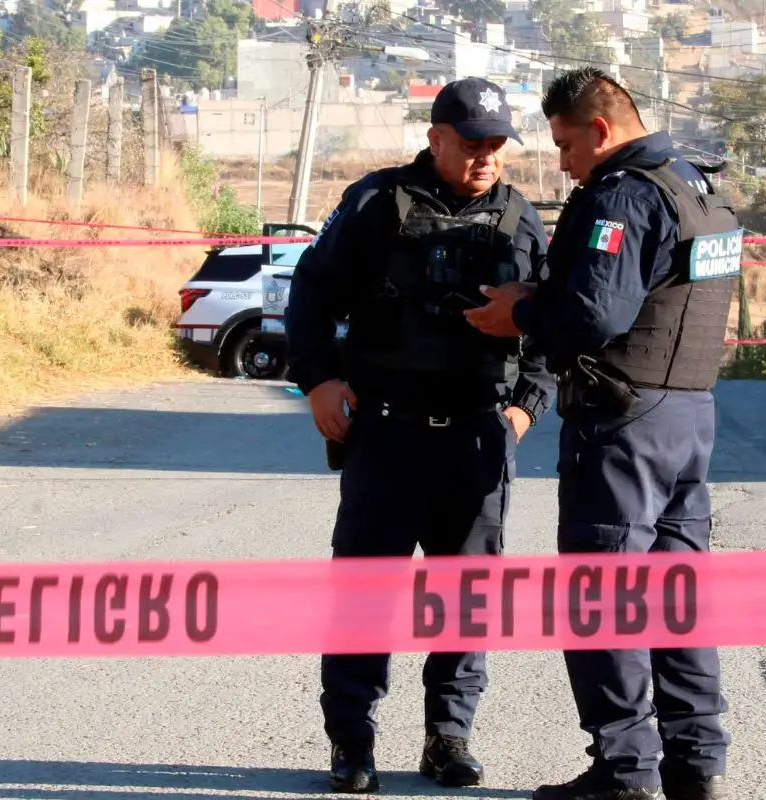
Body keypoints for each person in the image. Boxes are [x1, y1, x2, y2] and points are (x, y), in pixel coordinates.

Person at [465, 67, 737, 800]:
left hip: (623, 420)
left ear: (601, 129)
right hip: (689, 413)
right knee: (678, 594)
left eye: (565, 144)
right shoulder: (699, 186)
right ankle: (697, 762)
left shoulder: (624, 195)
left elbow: (595, 315)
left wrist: (519, 314)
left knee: (604, 591)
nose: (563, 163)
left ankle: (624, 769)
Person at [283, 76, 556, 795]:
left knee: (467, 598)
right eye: (471, 143)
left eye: (496, 144)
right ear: (435, 138)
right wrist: (317, 379)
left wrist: (526, 408)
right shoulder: (375, 203)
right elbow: (311, 290)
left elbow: (549, 323)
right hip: (387, 436)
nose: (486, 156)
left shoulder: (521, 218)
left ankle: (449, 737)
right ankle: (352, 742)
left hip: (477, 440)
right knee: (364, 594)